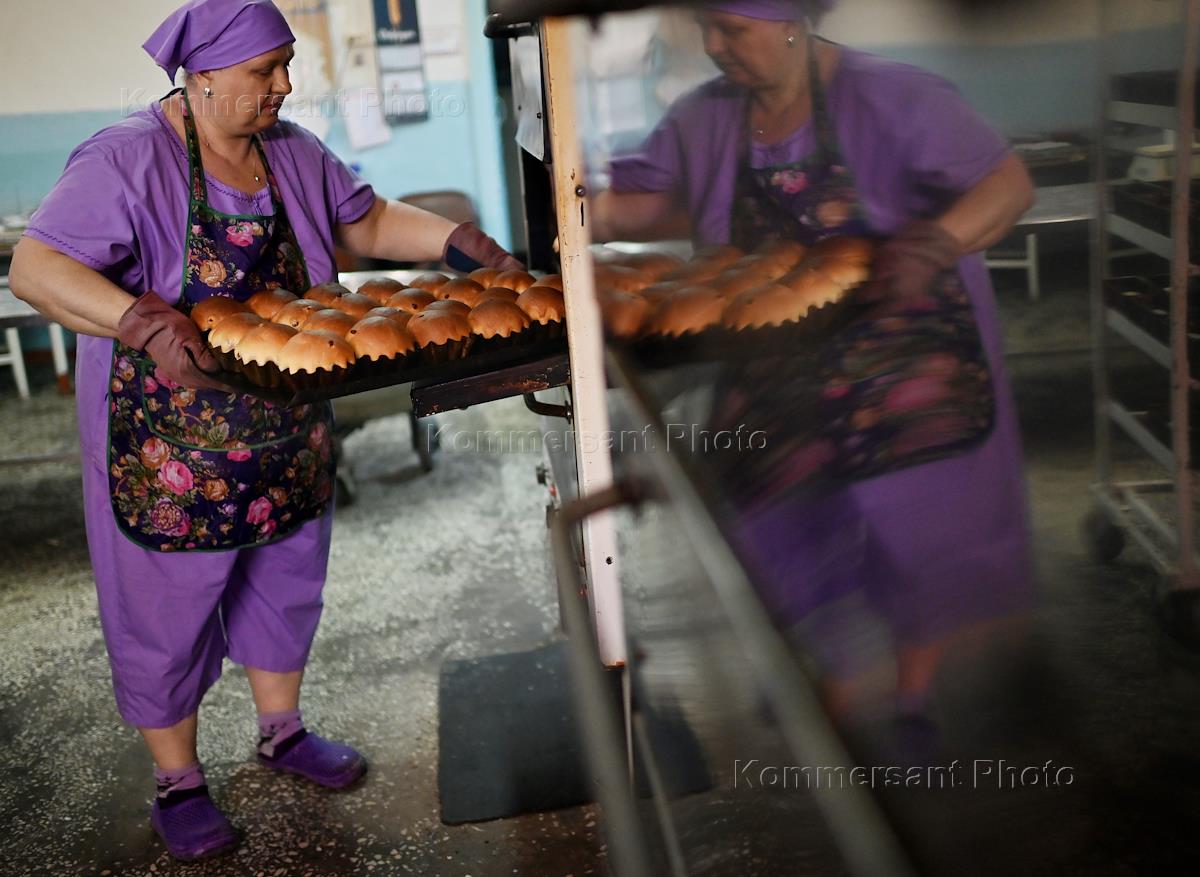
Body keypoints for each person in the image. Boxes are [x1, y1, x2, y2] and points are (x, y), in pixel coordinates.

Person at [9, 0, 519, 861]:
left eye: (286, 64)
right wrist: (140, 321)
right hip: (169, 445)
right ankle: (178, 779)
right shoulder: (126, 158)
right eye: (265, 70)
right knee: (168, 608)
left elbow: (364, 219)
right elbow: (36, 265)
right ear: (204, 73)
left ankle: (282, 730)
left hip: (284, 430)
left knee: (285, 577)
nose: (285, 84)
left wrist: (455, 240)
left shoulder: (291, 152)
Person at [593, 1, 1036, 720]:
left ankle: (910, 694)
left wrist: (936, 244)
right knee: (773, 509)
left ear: (792, 19)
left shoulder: (891, 95)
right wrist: (570, 206)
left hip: (903, 357)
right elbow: (637, 206)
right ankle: (822, 671)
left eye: (732, 29)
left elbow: (1008, 185)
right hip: (777, 366)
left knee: (909, 531)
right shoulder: (708, 114)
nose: (713, 45)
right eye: (705, 27)